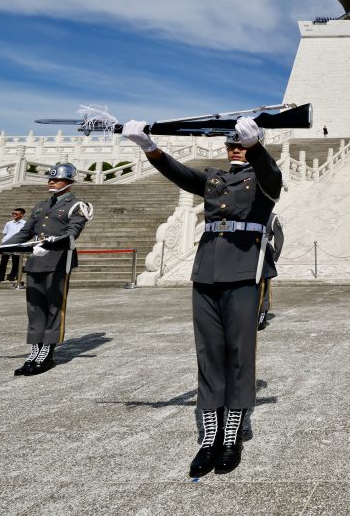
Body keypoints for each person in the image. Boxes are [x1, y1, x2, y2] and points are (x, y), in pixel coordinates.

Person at [122, 117, 282, 478]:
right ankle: (210, 437)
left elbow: (271, 175)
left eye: (241, 142)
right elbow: (180, 174)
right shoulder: (213, 178)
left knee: (239, 353)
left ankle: (231, 437)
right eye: (232, 143)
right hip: (207, 272)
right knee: (208, 353)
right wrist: (149, 147)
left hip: (243, 271)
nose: (235, 147)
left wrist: (257, 148)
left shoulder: (263, 178)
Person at [0, 164, 92, 376]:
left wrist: (51, 243)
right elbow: (24, 234)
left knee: (54, 306)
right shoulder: (40, 206)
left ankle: (47, 352)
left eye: (57, 179)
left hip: (58, 261)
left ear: (70, 182)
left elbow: (73, 233)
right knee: (34, 308)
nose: (51, 182)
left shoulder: (77, 206)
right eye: (50, 179)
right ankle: (34, 350)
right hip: (36, 262)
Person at [258, 212, 284, 331]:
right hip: (261, 251)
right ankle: (260, 316)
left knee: (264, 284)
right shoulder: (272, 217)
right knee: (263, 285)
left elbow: (279, 239)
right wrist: (273, 256)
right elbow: (280, 238)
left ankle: (262, 316)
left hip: (260, 250)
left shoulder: (272, 217)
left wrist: (273, 256)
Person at [0, 208, 27, 287]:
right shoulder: (8, 223)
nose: (14, 215)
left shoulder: (25, 224)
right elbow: (5, 234)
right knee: (3, 261)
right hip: (7, 244)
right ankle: (1, 277)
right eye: (13, 213)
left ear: (21, 214)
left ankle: (12, 276)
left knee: (16, 262)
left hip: (17, 244)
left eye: (16, 214)